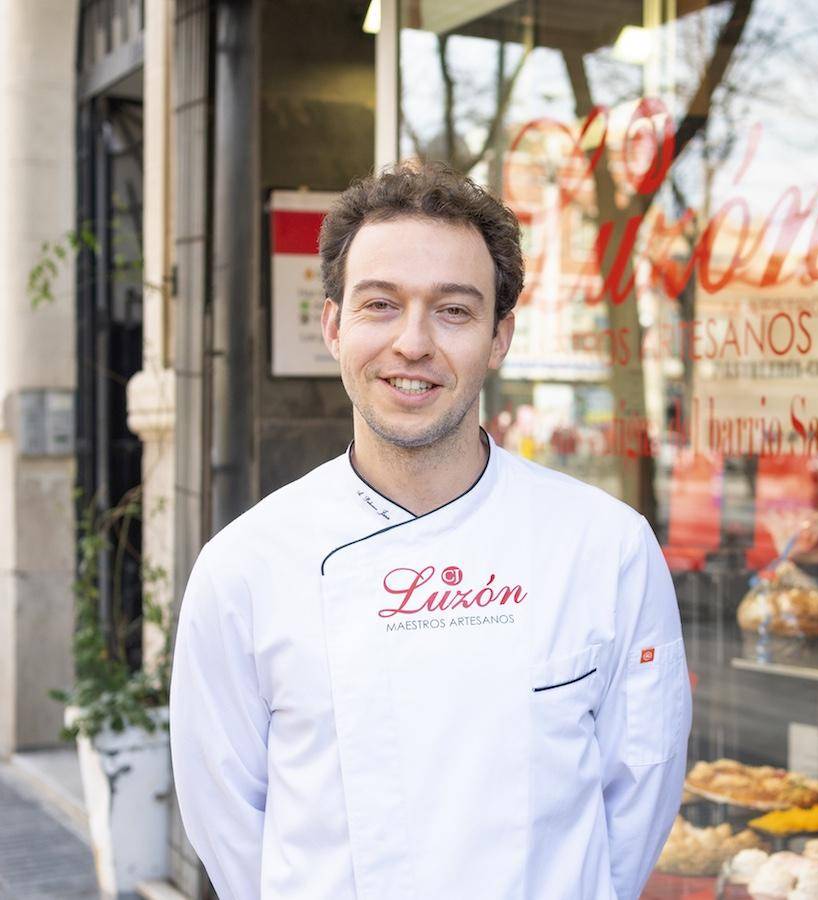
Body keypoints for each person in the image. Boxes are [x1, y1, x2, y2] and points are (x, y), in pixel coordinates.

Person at [170, 162, 691, 900]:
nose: (413, 343)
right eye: (380, 304)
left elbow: (639, 794)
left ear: (499, 337)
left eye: (453, 310)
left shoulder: (605, 547)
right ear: (333, 325)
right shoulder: (246, 568)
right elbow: (226, 822)